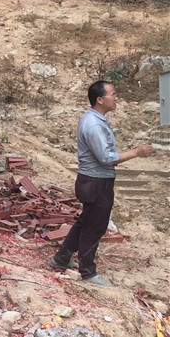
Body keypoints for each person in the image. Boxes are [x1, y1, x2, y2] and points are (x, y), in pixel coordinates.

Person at [51, 81, 154, 286]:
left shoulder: (94, 120)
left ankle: (61, 258)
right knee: (95, 227)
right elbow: (106, 158)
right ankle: (87, 272)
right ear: (100, 99)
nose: (116, 98)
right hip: (96, 181)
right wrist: (136, 152)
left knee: (86, 221)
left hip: (93, 180)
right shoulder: (94, 124)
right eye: (112, 94)